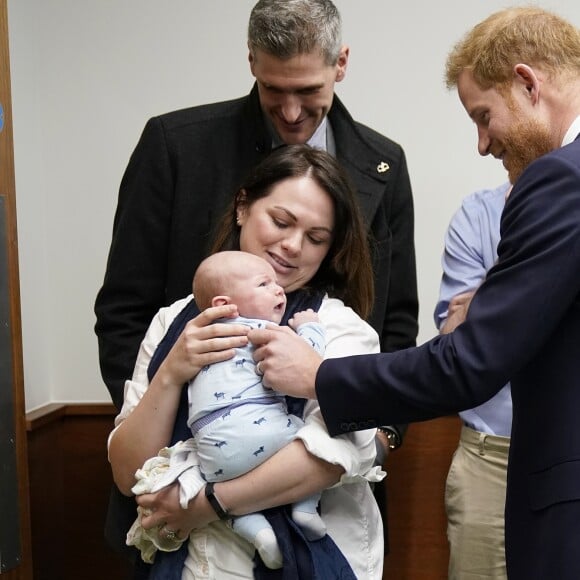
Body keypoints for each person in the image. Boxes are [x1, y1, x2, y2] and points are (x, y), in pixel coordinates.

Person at [247, 7, 580, 579]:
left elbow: (469, 364)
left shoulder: (561, 179)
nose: (482, 144)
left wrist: (318, 376)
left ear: (528, 83)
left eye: (483, 115)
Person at [95, 0, 416, 562]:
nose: (291, 112)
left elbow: (396, 319)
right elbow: (124, 312)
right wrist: (173, 430)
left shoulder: (381, 162)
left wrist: (380, 431)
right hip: (185, 474)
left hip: (326, 493)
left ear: (340, 64)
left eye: (308, 91)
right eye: (274, 89)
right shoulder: (178, 146)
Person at [108, 145, 386, 579]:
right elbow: (130, 475)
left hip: (315, 556)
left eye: (316, 238)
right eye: (280, 221)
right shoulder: (173, 322)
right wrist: (172, 372)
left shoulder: (336, 328)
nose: (292, 246)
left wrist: (204, 505)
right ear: (242, 207)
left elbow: (328, 456)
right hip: (193, 565)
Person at [126, 250, 329, 568]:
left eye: (275, 284)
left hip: (212, 462)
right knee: (308, 435)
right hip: (265, 435)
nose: (278, 290)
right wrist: (311, 328)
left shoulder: (192, 337)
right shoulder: (261, 330)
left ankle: (258, 531)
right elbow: (313, 366)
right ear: (223, 305)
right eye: (264, 284)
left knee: (230, 489)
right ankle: (305, 506)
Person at [435, 182, 511, 579]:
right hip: (490, 458)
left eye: (485, 116)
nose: (482, 144)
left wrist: (487, 297)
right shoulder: (477, 214)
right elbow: (457, 344)